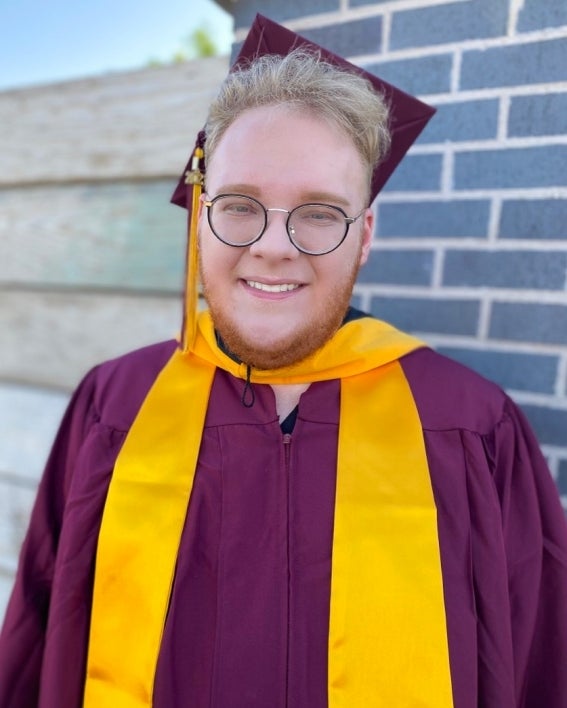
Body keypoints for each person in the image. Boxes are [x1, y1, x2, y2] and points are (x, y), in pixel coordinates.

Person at [1, 14, 566, 708]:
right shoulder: (113, 406)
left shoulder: (472, 429)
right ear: (200, 213)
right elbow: (37, 644)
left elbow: (540, 665)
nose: (274, 245)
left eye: (320, 213)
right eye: (240, 205)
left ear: (363, 236)